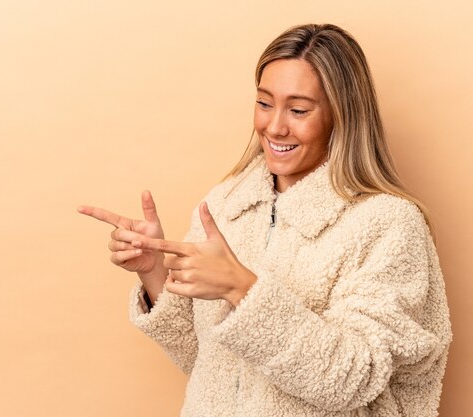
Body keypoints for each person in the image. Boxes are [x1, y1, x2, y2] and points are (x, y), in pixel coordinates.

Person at [78, 23, 452, 417]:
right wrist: (153, 272)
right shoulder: (224, 206)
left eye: (298, 110)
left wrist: (242, 288)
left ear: (342, 115)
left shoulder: (387, 223)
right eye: (264, 103)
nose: (274, 126)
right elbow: (207, 362)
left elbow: (352, 380)